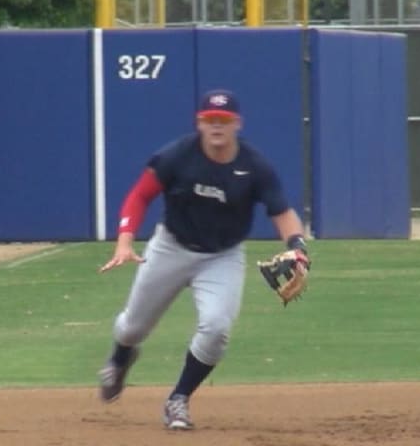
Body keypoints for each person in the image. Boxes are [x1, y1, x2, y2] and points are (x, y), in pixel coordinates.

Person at [97, 88, 310, 431]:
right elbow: (139, 196)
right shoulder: (177, 156)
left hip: (222, 256)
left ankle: (178, 399)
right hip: (171, 247)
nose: (216, 125)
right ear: (199, 122)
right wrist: (124, 241)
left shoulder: (254, 167)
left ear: (236, 124)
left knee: (216, 329)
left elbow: (282, 212)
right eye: (210, 119)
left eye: (223, 120)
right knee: (133, 325)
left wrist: (298, 246)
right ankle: (120, 359)